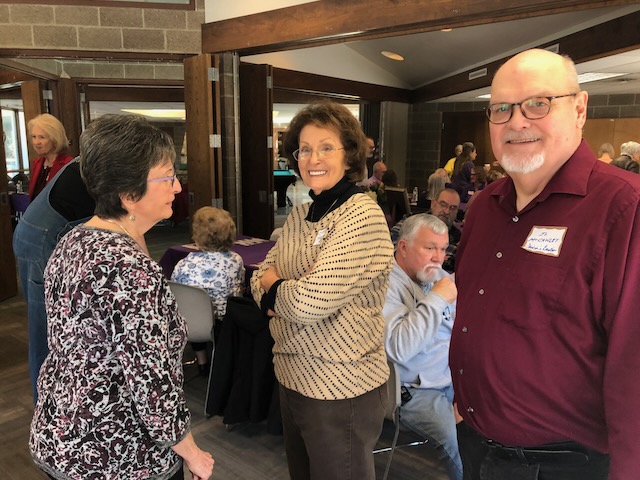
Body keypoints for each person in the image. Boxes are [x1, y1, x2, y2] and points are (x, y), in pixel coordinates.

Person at [451, 48, 640, 480]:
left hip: (565, 465)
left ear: (579, 108)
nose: (517, 122)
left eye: (538, 103)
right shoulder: (483, 207)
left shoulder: (626, 208)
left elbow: (635, 367)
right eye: (501, 108)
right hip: (478, 447)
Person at [29, 114, 214, 480]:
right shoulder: (130, 270)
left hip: (61, 434)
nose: (177, 188)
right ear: (129, 195)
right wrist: (192, 453)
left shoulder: (74, 239)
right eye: (167, 177)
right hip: (117, 457)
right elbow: (153, 385)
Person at [250, 101, 394, 480]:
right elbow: (258, 278)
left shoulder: (361, 215)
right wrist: (285, 288)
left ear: (349, 155)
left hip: (341, 386)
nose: (313, 158)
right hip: (292, 375)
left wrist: (279, 289)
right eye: (304, 149)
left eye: (326, 147)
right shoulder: (300, 215)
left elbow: (308, 302)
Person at [383, 214, 463, 480]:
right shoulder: (385, 285)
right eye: (430, 248)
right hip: (414, 390)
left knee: (495, 419)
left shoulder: (438, 275)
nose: (438, 258)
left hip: (453, 379)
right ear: (403, 247)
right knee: (459, 442)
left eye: (443, 249)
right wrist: (437, 298)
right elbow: (399, 348)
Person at [13, 159, 95, 402]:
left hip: (44, 234)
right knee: (45, 336)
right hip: (41, 242)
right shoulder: (106, 166)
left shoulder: (90, 161)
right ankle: (46, 410)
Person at [171, 206, 245, 375]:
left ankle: (202, 361)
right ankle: (222, 360)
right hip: (223, 323)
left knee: (195, 308)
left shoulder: (184, 262)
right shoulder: (235, 260)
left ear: (197, 237)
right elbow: (238, 287)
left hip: (189, 323)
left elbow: (175, 290)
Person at [27, 113, 74, 200]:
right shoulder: (37, 163)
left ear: (55, 139)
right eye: (34, 137)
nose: (36, 142)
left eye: (42, 137)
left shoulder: (68, 165)